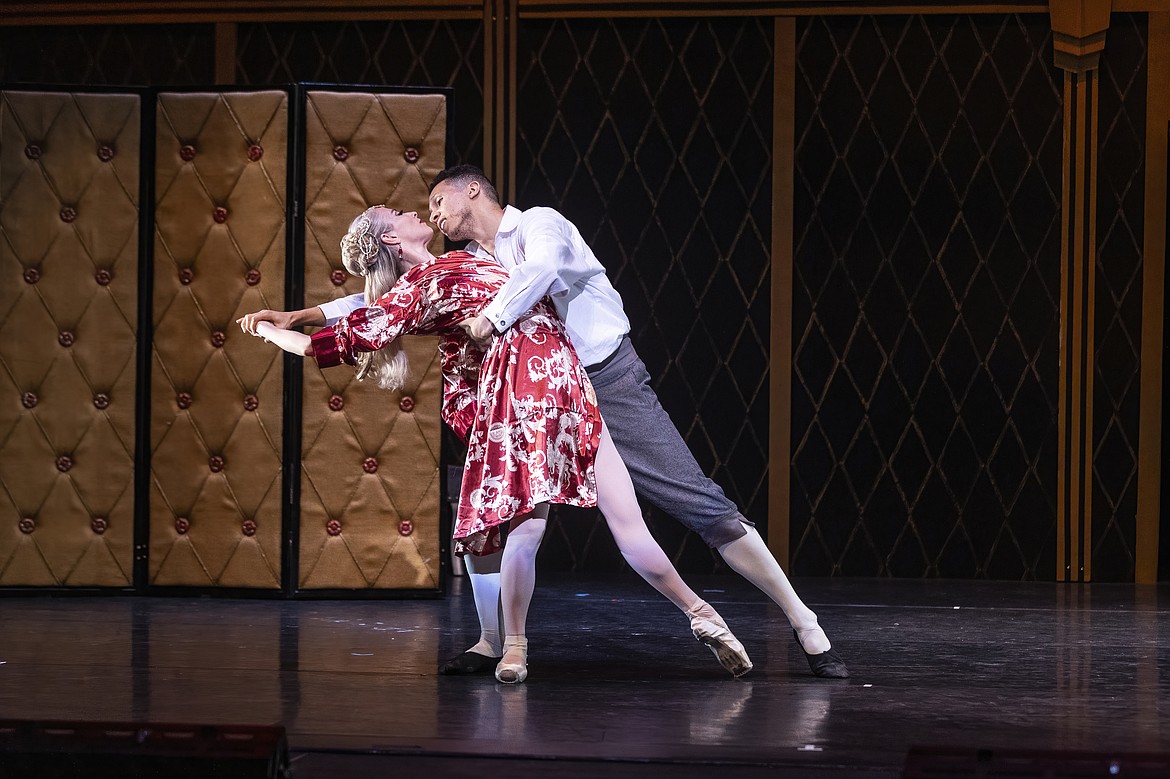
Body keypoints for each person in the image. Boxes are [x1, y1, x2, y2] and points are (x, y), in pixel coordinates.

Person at [244, 166, 848, 679]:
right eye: (416, 209)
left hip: (603, 380)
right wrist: (298, 315)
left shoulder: (539, 224)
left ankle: (803, 621)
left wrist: (490, 321)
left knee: (694, 503)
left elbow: (541, 274)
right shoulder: (465, 259)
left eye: (437, 200)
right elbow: (390, 297)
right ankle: (496, 642)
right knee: (503, 521)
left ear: (471, 193)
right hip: (529, 389)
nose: (428, 210)